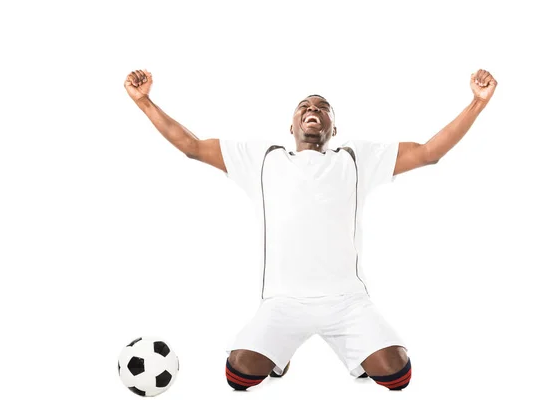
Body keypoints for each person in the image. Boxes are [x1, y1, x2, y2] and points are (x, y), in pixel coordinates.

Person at [124, 68, 497, 391]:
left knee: (398, 377)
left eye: (322, 108)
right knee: (238, 376)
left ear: (334, 126)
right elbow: (190, 145)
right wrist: (145, 102)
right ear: (291, 125)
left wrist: (477, 103)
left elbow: (429, 152)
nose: (312, 110)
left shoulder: (356, 158)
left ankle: (351, 351)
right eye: (305, 106)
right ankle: (279, 358)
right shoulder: (263, 158)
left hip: (347, 302)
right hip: (283, 301)